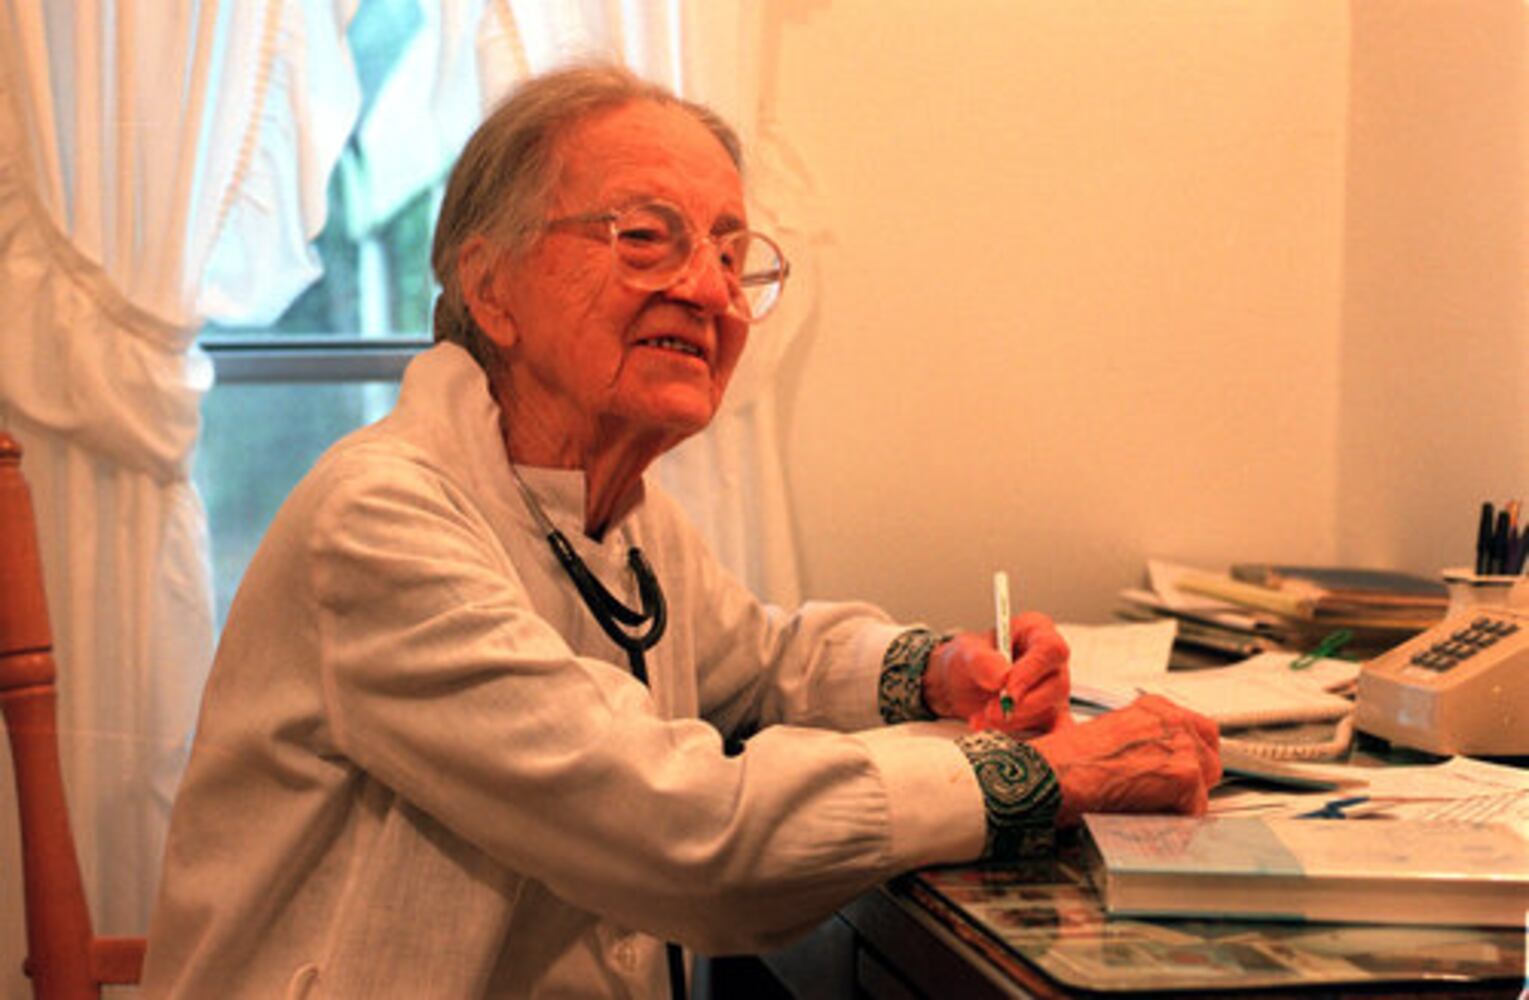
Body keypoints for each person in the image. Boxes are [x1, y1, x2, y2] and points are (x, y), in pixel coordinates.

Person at [141, 63, 1220, 999]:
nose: (709, 290)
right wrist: (1049, 773)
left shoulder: (617, 511)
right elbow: (684, 833)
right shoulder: (381, 521)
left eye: (731, 254)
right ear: (490, 287)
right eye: (645, 238)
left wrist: (935, 668)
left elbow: (760, 660)